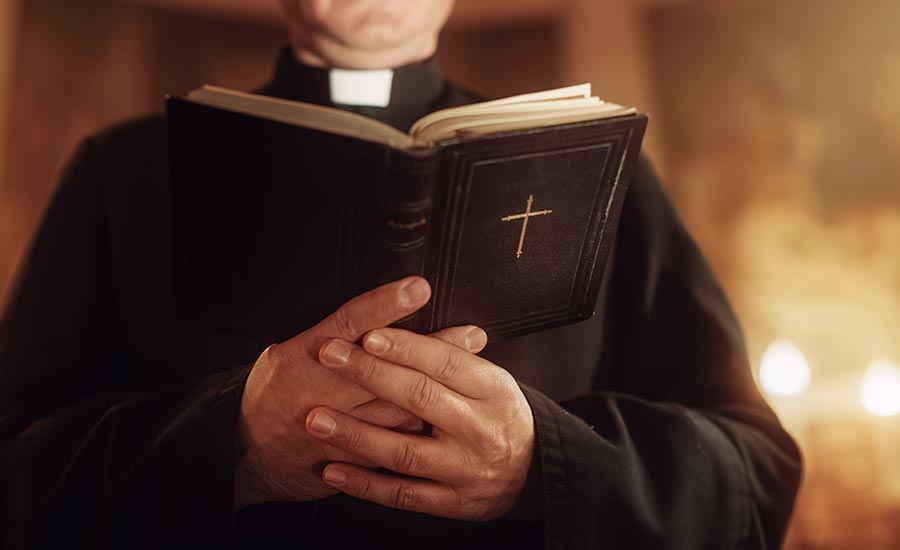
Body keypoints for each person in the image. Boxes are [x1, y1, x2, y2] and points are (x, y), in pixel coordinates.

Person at [0, 0, 801, 548]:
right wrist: (232, 445)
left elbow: (755, 474)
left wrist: (540, 468)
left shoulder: (597, 174)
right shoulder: (125, 172)